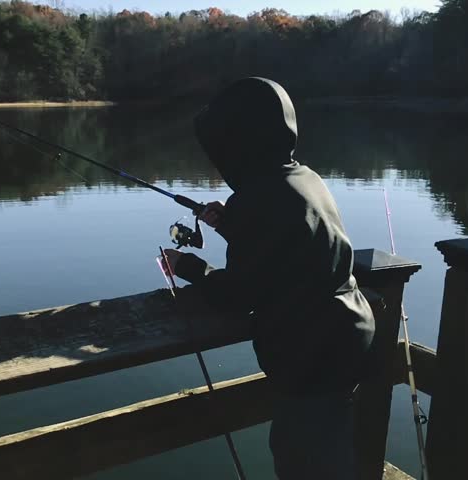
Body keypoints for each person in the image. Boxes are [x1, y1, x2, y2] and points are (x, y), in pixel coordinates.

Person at [163, 77, 375, 479]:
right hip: (348, 334)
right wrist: (231, 225)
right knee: (330, 449)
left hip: (311, 353)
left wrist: (187, 266)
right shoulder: (304, 177)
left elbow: (238, 293)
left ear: (237, 141)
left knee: (300, 458)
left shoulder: (257, 199)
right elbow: (290, 247)